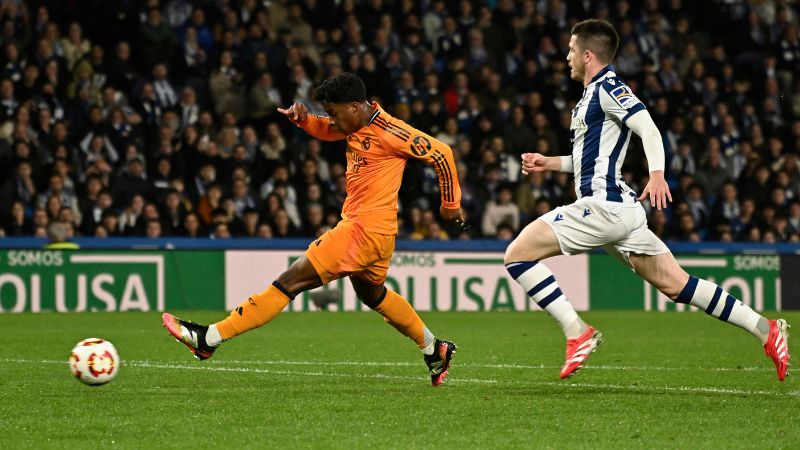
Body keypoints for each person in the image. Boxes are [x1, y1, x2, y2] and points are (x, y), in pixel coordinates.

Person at [504, 19, 790, 381]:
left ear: (589, 55)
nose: (567, 57)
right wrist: (552, 163)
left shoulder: (609, 86)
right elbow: (590, 159)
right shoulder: (589, 97)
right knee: (677, 284)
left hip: (602, 207)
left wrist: (657, 173)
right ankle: (767, 330)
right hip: (620, 212)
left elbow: (648, 127)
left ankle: (577, 332)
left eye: (572, 51)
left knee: (516, 255)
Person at [163, 73, 465, 386]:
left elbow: (442, 152)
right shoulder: (355, 123)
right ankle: (434, 348)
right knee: (372, 294)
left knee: (288, 282)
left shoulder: (390, 130)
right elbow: (329, 129)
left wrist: (450, 203)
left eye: (335, 112)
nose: (332, 119)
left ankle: (208, 338)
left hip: (362, 231)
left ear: (354, 106)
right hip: (378, 234)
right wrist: (306, 119)